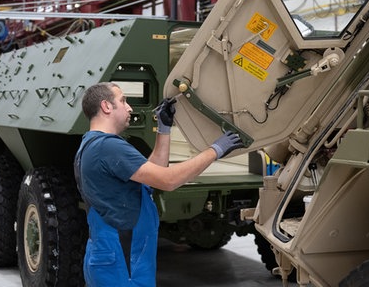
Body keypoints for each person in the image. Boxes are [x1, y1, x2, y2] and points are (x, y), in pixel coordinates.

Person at [74, 82, 244, 287]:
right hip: (122, 262)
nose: (130, 108)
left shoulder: (91, 145)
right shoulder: (108, 147)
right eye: (123, 101)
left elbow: (155, 173)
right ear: (106, 106)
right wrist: (215, 150)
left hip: (112, 255)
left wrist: (163, 129)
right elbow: (169, 180)